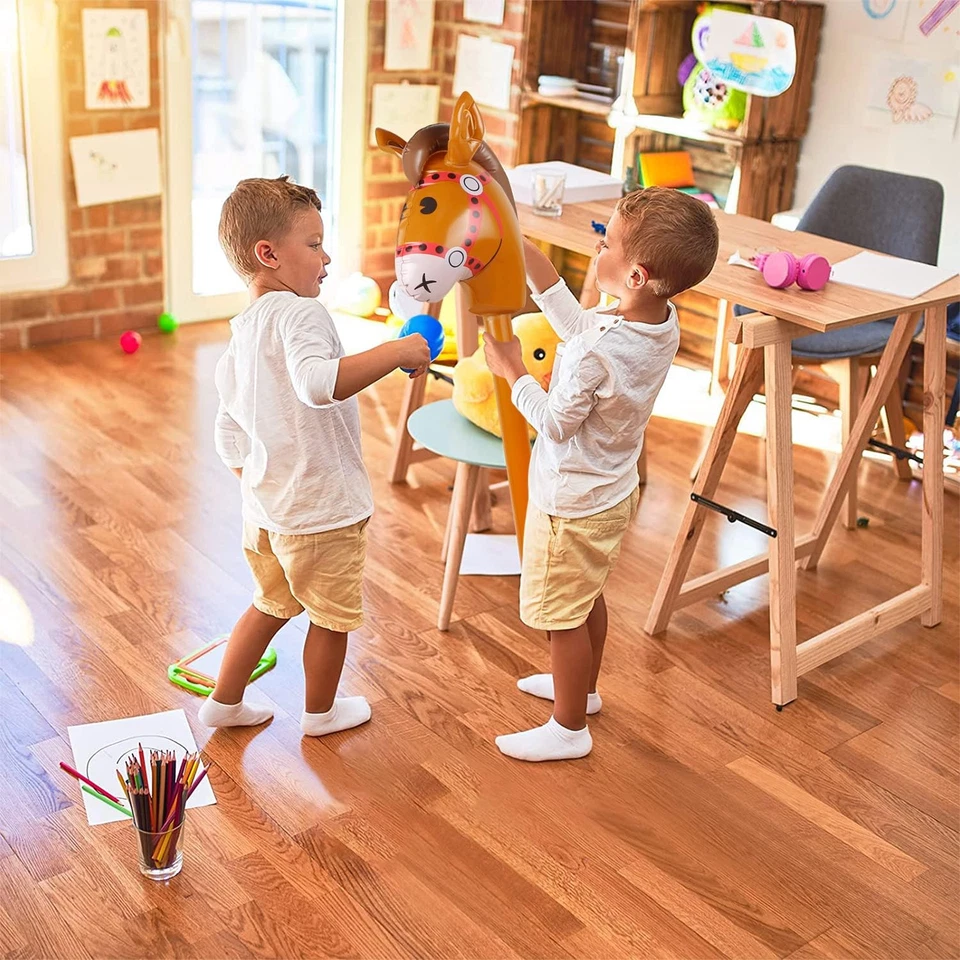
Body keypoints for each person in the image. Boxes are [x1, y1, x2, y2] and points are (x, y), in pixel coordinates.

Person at [483, 187, 719, 761]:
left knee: (562, 614)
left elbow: (556, 424)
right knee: (586, 595)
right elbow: (579, 325)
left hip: (571, 501)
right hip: (612, 492)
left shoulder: (597, 351)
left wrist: (513, 372)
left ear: (636, 275)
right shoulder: (660, 323)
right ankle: (582, 691)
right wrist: (521, 248)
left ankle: (568, 729)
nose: (597, 246)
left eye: (606, 241)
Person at [199, 176, 429, 737]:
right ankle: (321, 714)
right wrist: (395, 350)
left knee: (269, 605)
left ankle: (224, 702)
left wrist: (262, 481)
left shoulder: (242, 332)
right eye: (314, 244)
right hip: (323, 513)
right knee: (331, 617)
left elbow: (227, 430)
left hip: (268, 512)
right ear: (269, 254)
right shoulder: (301, 314)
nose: (326, 258)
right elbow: (317, 384)